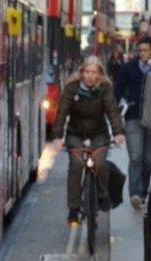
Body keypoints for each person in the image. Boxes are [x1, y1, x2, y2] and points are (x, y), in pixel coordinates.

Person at [52, 56, 125, 225]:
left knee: (100, 162)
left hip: (98, 133)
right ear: (82, 73)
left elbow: (112, 111)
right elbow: (61, 112)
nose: (90, 76)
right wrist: (57, 136)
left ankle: (101, 195)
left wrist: (118, 132)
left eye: (94, 72)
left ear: (99, 75)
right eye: (87, 72)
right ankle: (73, 208)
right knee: (76, 166)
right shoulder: (72, 88)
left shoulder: (105, 88)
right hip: (75, 134)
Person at [114, 36, 151, 209]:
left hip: (150, 120)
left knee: (147, 159)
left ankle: (143, 192)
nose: (143, 53)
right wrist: (123, 106)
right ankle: (134, 193)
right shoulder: (128, 68)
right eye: (141, 50)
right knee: (135, 158)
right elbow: (116, 92)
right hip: (133, 118)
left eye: (146, 50)